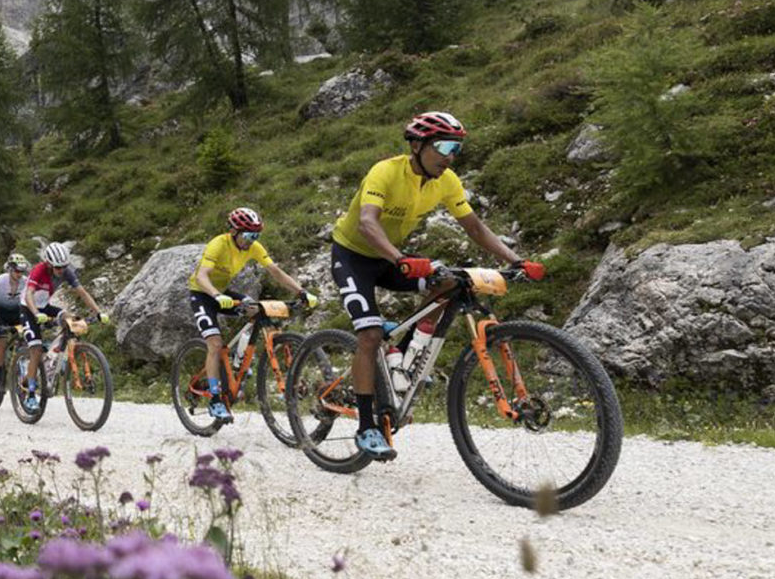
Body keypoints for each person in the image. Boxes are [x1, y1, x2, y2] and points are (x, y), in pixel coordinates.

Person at [327, 111, 542, 460]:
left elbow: (474, 227)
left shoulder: (447, 181)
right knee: (367, 336)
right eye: (442, 146)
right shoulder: (385, 171)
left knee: (447, 283)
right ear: (417, 144)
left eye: (456, 148)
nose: (449, 155)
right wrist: (400, 258)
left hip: (391, 257)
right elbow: (368, 223)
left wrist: (515, 260)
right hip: (353, 256)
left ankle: (405, 354)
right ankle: (367, 426)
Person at [188, 206, 315, 424]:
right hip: (202, 294)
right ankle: (216, 400)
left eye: (256, 235)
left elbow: (275, 271)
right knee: (215, 344)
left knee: (255, 308)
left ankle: (238, 361)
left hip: (223, 294)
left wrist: (300, 291)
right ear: (234, 231)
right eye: (248, 235)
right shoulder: (219, 244)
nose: (252, 240)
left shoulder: (253, 247)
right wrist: (216, 295)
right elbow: (201, 276)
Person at [19, 241, 105, 414]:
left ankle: (52, 362)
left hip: (45, 306)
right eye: (57, 267)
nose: (61, 270)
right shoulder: (39, 270)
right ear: (49, 264)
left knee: (69, 318)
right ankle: (30, 396)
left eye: (63, 267)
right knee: (35, 348)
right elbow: (29, 294)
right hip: (28, 308)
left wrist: (99, 313)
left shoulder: (67, 272)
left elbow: (83, 293)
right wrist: (36, 313)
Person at [0, 251, 29, 393]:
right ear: (9, 269)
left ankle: (21, 372)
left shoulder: (26, 282)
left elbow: (30, 301)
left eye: (21, 271)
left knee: (25, 339)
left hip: (16, 314)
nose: (19, 274)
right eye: (16, 271)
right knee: (2, 340)